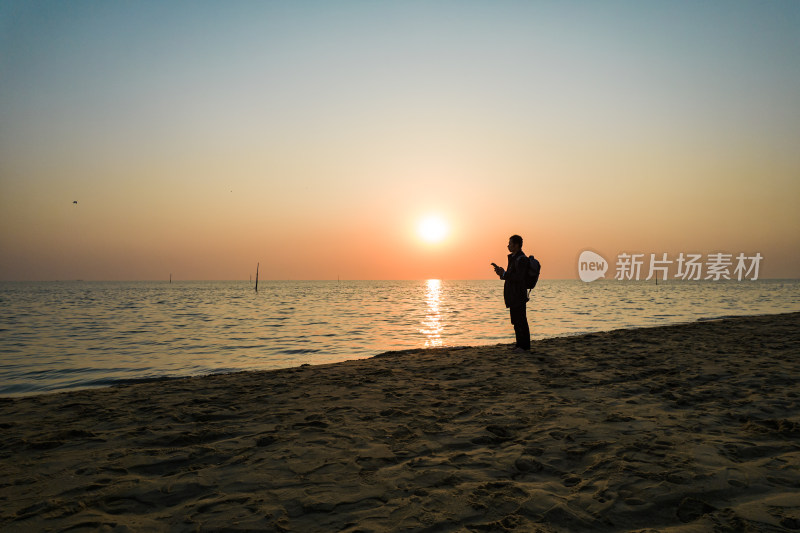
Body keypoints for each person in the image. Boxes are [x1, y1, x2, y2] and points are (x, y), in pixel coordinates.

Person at [492, 234, 530, 353]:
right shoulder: (514, 258)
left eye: (510, 243)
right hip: (512, 295)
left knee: (521, 321)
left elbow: (518, 277)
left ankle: (524, 347)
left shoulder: (521, 259)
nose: (508, 245)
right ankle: (519, 345)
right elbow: (510, 276)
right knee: (515, 321)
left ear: (516, 245)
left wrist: (505, 274)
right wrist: (502, 274)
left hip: (518, 294)